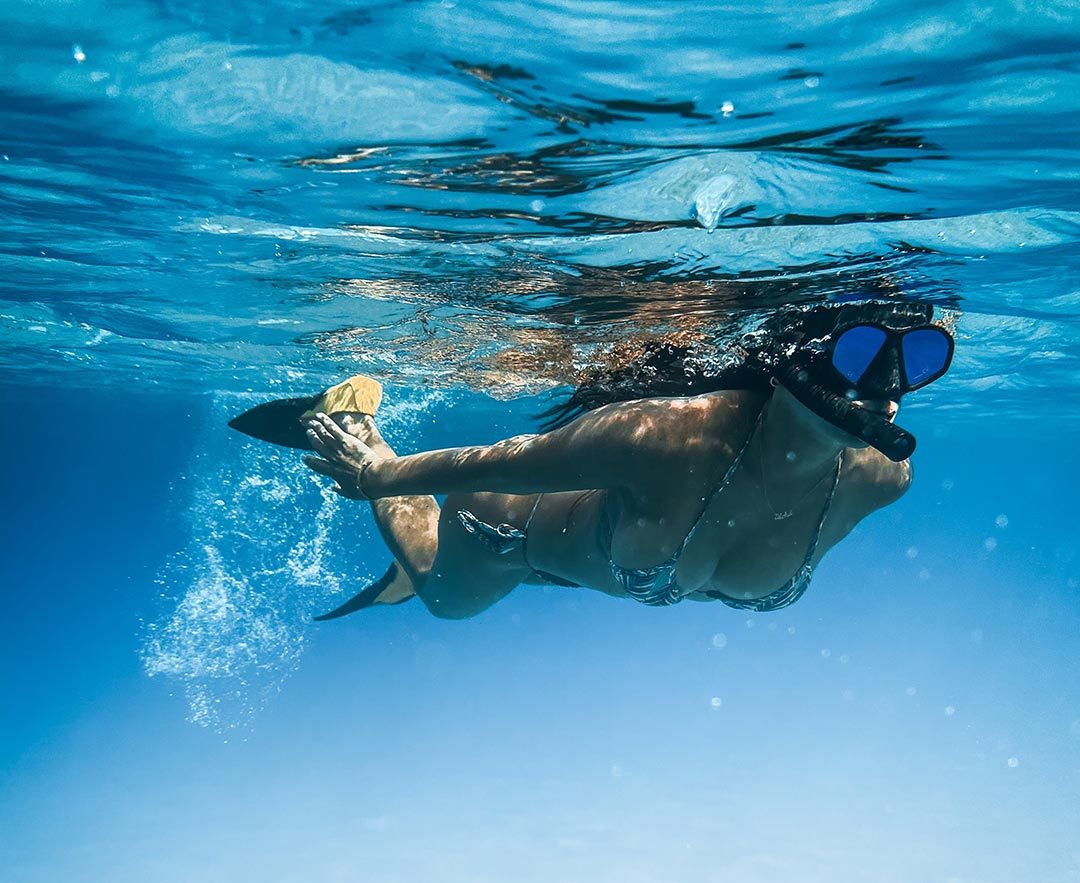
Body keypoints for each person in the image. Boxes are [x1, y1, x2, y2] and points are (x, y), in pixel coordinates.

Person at [234, 300, 954, 620]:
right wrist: (376, 475)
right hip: (507, 526)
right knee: (445, 600)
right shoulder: (671, 438)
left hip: (593, 554)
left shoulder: (881, 478)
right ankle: (358, 419)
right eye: (861, 351)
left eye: (920, 358)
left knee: (561, 568)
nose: (887, 390)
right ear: (798, 357)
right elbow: (501, 465)